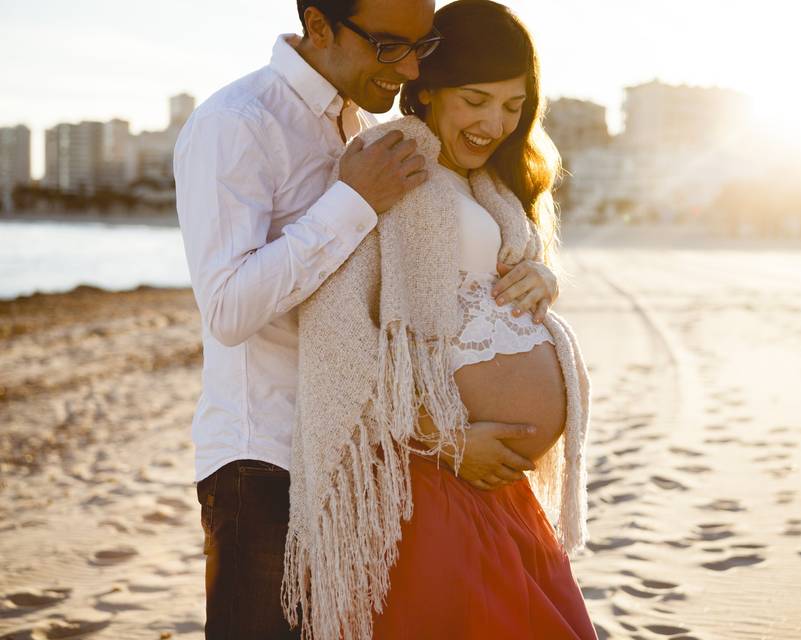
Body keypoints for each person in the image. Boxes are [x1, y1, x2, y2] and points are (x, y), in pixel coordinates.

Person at [173, 0, 561, 637]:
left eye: (420, 46)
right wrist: (351, 202)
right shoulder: (238, 123)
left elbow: (415, 300)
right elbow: (228, 308)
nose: (408, 67)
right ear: (319, 25)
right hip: (266, 463)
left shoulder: (362, 120)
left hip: (370, 460)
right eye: (389, 46)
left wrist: (535, 276)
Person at [282, 2, 596, 638]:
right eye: (476, 100)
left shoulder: (489, 188)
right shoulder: (390, 163)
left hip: (493, 487)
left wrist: (544, 276)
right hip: (434, 481)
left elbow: (488, 284)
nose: (495, 123)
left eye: (512, 106)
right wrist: (446, 441)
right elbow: (336, 335)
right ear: (425, 89)